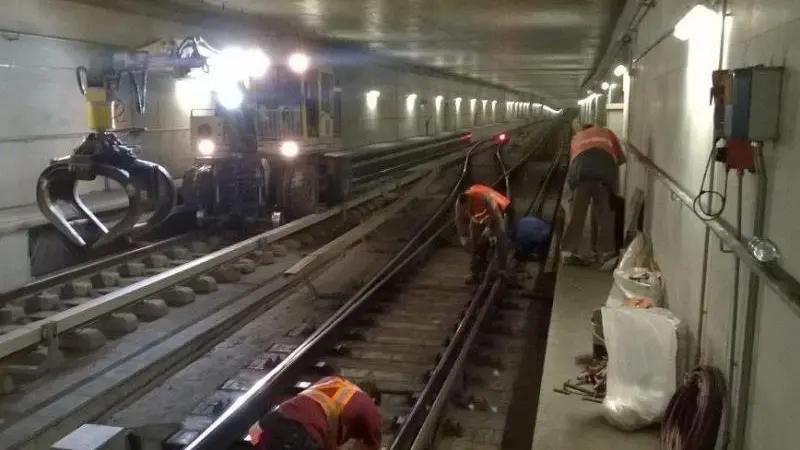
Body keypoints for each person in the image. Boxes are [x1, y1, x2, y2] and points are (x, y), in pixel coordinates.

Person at [248, 375, 383, 450]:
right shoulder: (367, 403)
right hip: (298, 435)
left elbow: (319, 417)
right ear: (373, 399)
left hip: (268, 424)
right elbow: (372, 444)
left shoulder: (331, 381)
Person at [562, 123, 626, 270]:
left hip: (581, 177)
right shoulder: (607, 133)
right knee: (605, 216)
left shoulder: (577, 137)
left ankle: (568, 251)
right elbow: (621, 159)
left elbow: (573, 162)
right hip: (602, 178)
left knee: (577, 215)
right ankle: (606, 254)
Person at [455, 183, 512, 284]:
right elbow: (460, 220)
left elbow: (494, 214)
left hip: (493, 217)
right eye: (464, 207)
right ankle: (475, 272)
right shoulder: (460, 204)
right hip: (476, 220)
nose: (465, 208)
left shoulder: (484, 197)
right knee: (474, 243)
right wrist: (463, 236)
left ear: (469, 199)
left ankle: (502, 270)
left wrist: (489, 229)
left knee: (501, 238)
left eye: (466, 206)